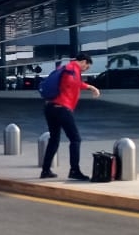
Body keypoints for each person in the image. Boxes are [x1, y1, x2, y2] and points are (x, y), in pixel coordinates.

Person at [40, 52, 101, 180]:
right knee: (75, 139)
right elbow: (72, 83)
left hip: (50, 107)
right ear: (83, 61)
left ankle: (45, 170)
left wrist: (87, 86)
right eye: (87, 66)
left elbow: (71, 83)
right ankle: (74, 170)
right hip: (61, 108)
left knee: (54, 139)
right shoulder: (73, 68)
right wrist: (90, 87)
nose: (86, 69)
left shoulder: (63, 67)